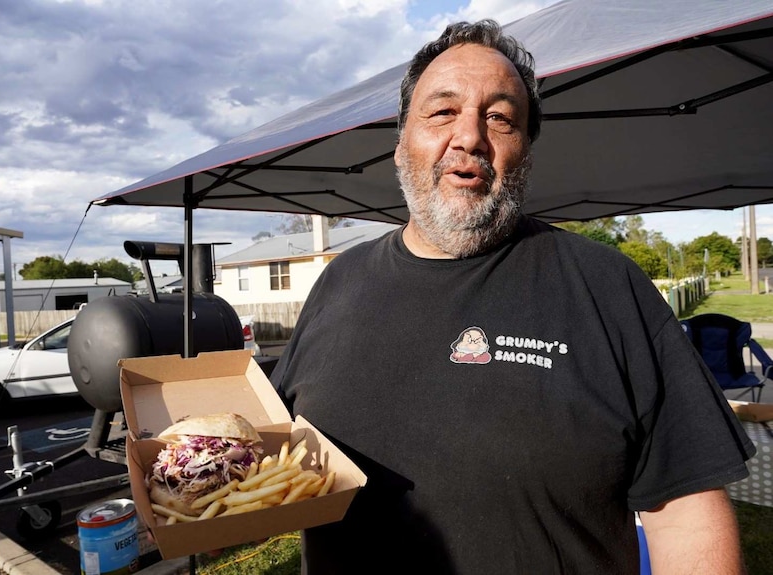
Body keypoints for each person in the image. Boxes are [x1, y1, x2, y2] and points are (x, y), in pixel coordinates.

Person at [270, 19, 755, 575]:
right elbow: (279, 459)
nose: (470, 137)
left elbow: (685, 511)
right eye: (442, 111)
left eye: (500, 117)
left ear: (524, 151)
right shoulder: (337, 282)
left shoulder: (606, 285)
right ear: (402, 140)